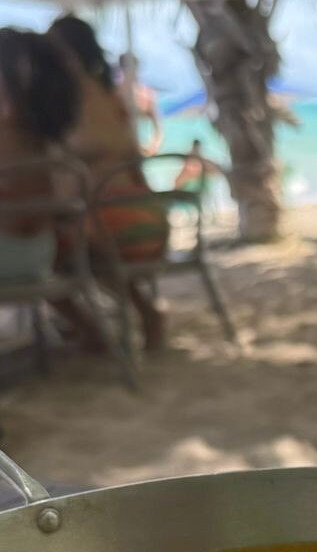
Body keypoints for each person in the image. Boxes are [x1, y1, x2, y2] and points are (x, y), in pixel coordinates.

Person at [48, 15, 168, 350]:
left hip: (114, 225)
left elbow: (69, 178)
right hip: (149, 218)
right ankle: (137, 315)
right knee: (70, 241)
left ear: (66, 54)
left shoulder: (68, 104)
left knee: (41, 255)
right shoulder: (114, 98)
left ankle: (90, 329)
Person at [0, 27, 108, 349]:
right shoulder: (47, 138)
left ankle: (91, 333)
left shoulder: (5, 136)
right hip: (38, 254)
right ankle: (93, 333)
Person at [117, 53, 163, 157]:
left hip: (138, 150)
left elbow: (158, 130)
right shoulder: (115, 94)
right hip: (119, 149)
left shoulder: (146, 95)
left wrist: (152, 148)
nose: (131, 71)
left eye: (133, 67)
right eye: (126, 67)